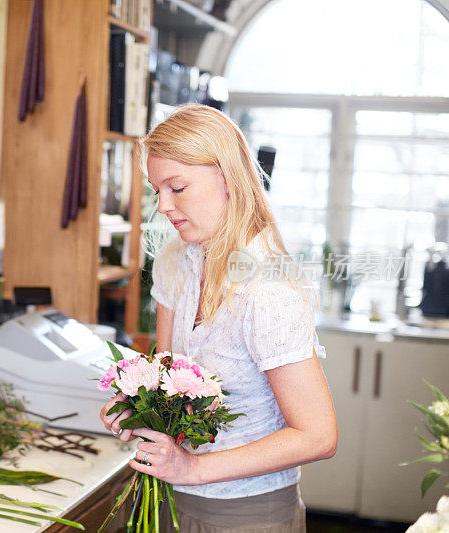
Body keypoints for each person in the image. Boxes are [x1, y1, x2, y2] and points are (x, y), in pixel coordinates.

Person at [99, 104, 337, 533]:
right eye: (157, 190)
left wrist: (192, 468)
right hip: (171, 498)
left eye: (176, 187)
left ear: (226, 176)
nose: (162, 206)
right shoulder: (179, 258)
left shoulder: (267, 292)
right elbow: (168, 373)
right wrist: (138, 406)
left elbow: (318, 436)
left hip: (247, 511)